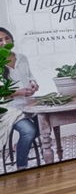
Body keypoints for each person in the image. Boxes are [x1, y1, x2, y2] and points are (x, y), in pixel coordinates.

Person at [1, 26, 41, 171]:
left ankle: (20, 146)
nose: (5, 43)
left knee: (46, 124)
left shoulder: (22, 58)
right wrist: (18, 92)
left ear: (12, 39)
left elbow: (30, 76)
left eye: (7, 38)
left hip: (28, 103)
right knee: (29, 131)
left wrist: (33, 84)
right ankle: (21, 168)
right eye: (0, 40)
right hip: (8, 109)